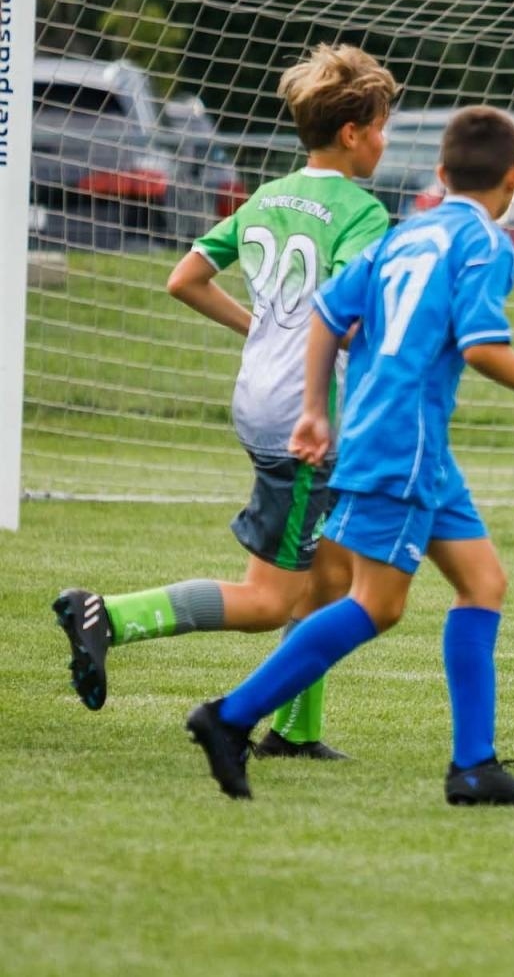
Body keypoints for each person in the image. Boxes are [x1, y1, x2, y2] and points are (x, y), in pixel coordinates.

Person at [183, 106, 514, 803]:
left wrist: (315, 409)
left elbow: (327, 314)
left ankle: (474, 767)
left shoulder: (405, 233)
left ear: (439, 173)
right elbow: (481, 344)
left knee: (483, 581)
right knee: (377, 604)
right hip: (405, 441)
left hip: (398, 437)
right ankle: (229, 717)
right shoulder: (487, 244)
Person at [51, 44, 397, 759]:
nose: (386, 141)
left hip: (259, 394)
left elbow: (184, 278)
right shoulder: (362, 214)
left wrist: (261, 328)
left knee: (328, 574)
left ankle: (296, 732)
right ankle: (109, 615)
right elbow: (350, 317)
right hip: (308, 414)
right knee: (271, 598)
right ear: (354, 131)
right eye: (384, 125)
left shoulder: (268, 196)